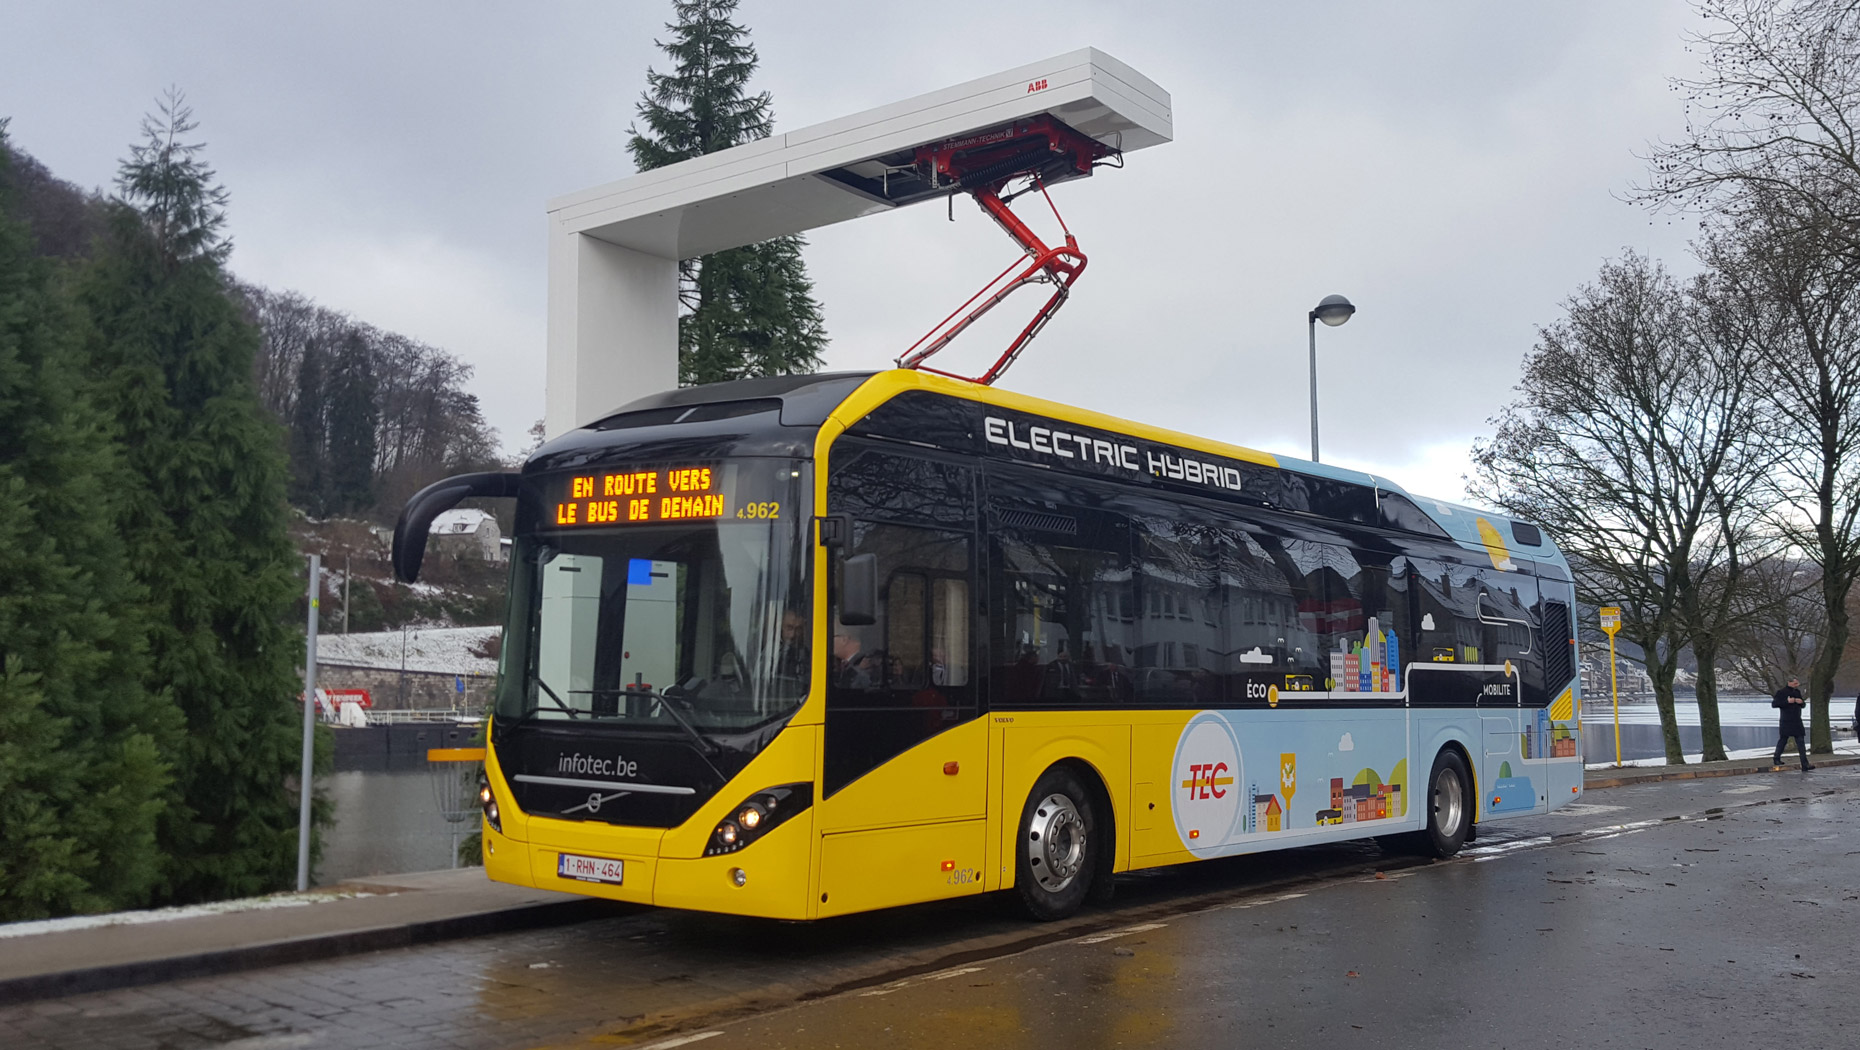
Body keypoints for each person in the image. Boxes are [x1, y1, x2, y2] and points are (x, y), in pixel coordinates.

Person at [1772, 677, 1814, 772]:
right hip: (1786, 720)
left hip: (1797, 720)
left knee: (1801, 742)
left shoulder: (1797, 692)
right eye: (1795, 683)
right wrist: (1787, 702)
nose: (1796, 685)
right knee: (1783, 740)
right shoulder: (1781, 692)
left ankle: (1805, 764)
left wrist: (1801, 702)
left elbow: (1803, 705)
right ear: (1789, 682)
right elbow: (1774, 704)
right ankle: (1776, 758)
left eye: (1797, 683)